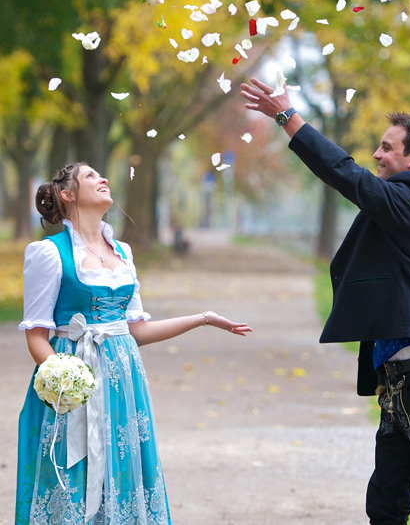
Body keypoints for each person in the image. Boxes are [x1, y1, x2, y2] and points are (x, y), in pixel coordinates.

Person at [241, 78, 410, 525]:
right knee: (384, 504)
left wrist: (288, 117)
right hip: (403, 385)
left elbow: (348, 176)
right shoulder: (404, 210)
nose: (377, 155)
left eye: (386, 147)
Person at [15, 162, 252, 525]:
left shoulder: (123, 252)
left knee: (123, 466)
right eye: (91, 176)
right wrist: (63, 378)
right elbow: (36, 336)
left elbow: (137, 331)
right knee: (73, 468)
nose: (103, 179)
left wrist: (202, 318)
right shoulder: (48, 253)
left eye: (101, 175)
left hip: (123, 379)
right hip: (75, 376)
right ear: (67, 194)